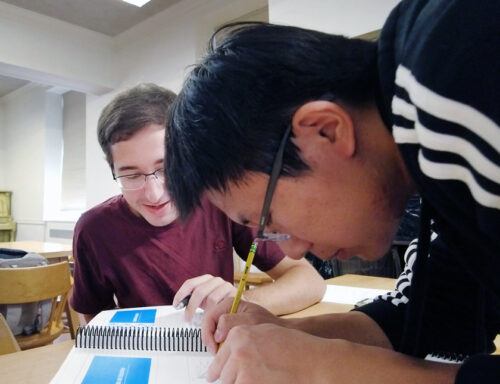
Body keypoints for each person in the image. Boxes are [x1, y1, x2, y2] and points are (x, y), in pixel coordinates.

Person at [164, 1, 500, 383]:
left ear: (325, 130)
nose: (291, 250)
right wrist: (285, 340)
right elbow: (436, 312)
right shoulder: (426, 148)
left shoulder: (459, 72)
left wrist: (327, 366)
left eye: (268, 219)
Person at [69, 83, 325, 324]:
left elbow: (308, 281)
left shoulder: (220, 200)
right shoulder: (94, 229)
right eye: (132, 175)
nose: (155, 194)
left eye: (168, 168)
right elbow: (93, 315)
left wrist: (236, 302)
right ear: (112, 168)